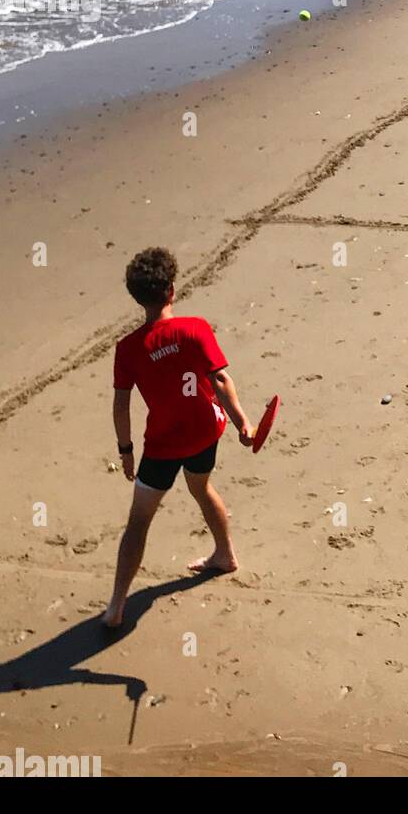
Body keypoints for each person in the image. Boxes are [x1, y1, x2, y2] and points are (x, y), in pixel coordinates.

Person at [102, 247, 252, 629]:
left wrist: (126, 450)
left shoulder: (128, 349)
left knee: (139, 520)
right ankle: (225, 554)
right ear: (171, 290)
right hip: (205, 432)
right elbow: (219, 378)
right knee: (201, 488)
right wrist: (241, 423)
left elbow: (121, 406)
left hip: (164, 445)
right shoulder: (195, 328)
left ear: (137, 297)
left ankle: (117, 605)